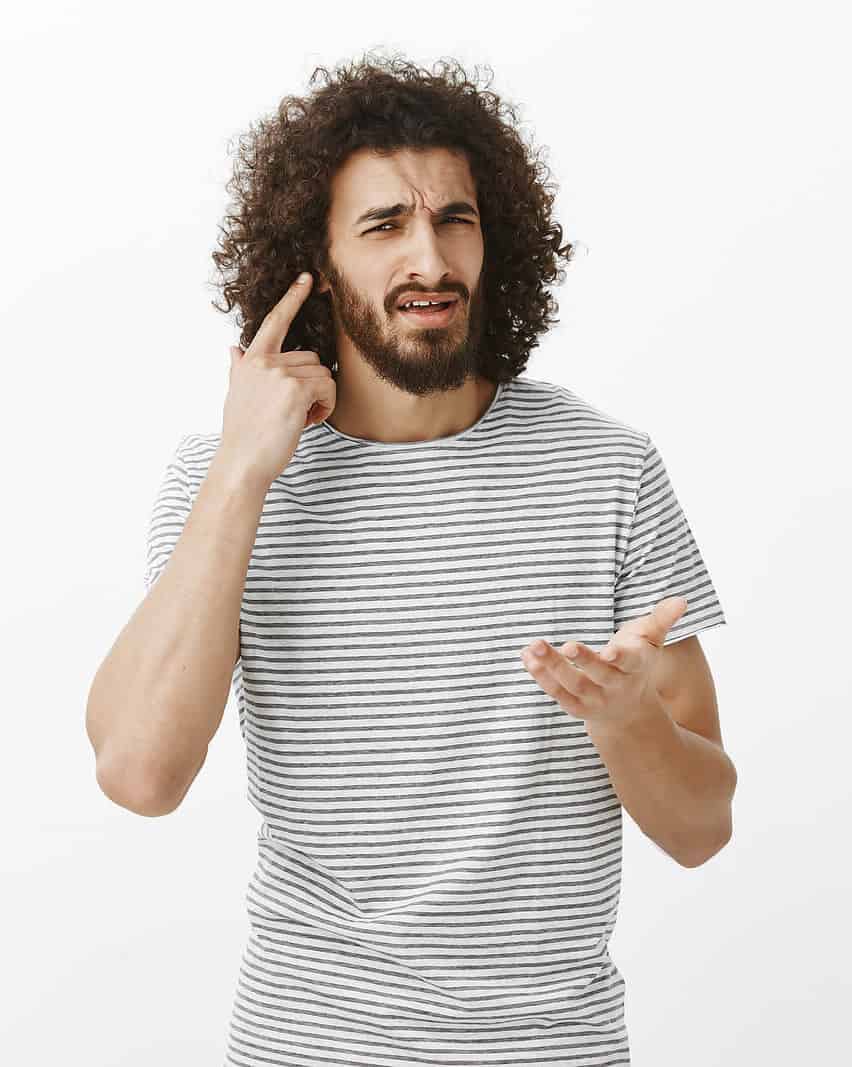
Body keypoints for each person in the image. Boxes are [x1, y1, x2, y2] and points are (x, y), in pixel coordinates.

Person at [87, 51, 736, 1067]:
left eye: (455, 219)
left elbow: (704, 827)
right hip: (311, 1042)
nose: (428, 258)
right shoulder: (226, 483)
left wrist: (625, 718)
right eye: (384, 226)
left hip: (555, 1049)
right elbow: (138, 771)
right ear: (315, 262)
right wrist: (244, 472)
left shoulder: (607, 469)